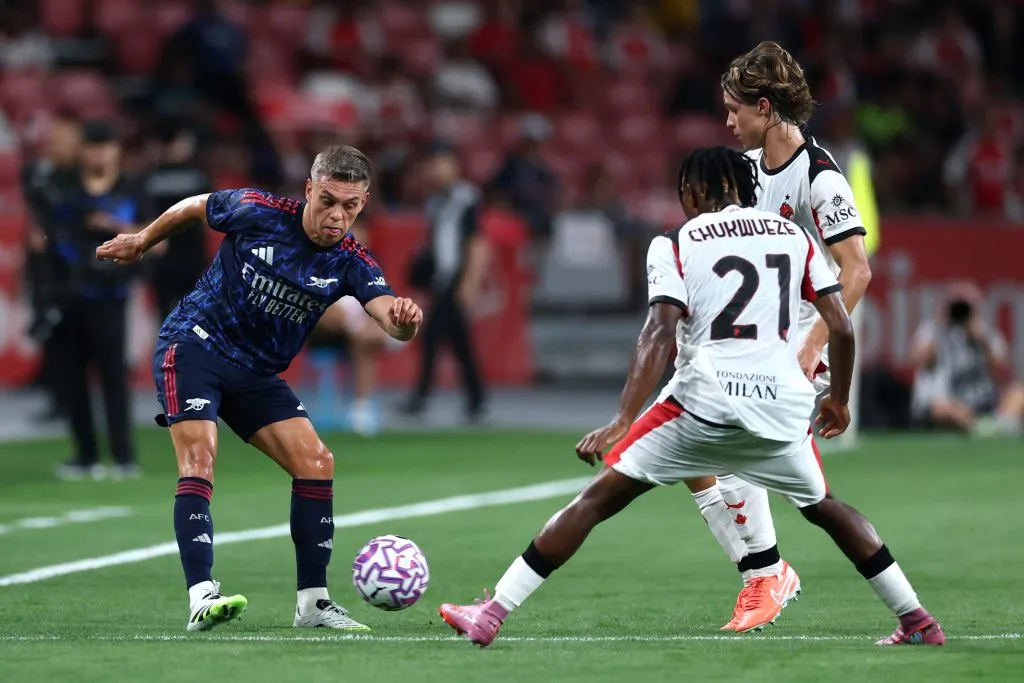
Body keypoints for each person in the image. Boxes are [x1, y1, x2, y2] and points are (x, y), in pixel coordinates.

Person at [438, 147, 944, 648]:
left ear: (693, 191)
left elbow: (658, 334)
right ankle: (917, 619)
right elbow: (842, 325)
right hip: (782, 410)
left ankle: (494, 611)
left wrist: (621, 419)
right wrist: (838, 399)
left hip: (704, 408)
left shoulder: (675, 241)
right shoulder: (794, 236)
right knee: (825, 507)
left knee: (596, 500)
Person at [95, 145, 423, 632]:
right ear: (309, 189)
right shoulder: (259, 211)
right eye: (328, 200)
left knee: (316, 462)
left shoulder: (353, 262)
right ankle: (202, 596)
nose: (337, 216)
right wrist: (143, 240)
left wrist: (405, 323)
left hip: (255, 373)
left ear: (364, 201)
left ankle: (312, 604)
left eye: (350, 206)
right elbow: (194, 206)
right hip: (194, 346)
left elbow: (387, 317)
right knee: (200, 456)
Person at [662, 41, 876, 633]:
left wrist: (811, 347)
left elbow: (856, 270)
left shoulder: (820, 176)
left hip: (799, 346)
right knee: (696, 459)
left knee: (724, 449)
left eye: (734, 110)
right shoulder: (750, 172)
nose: (727, 123)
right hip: (755, 341)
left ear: (764, 107)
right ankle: (767, 572)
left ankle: (767, 575)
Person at [51, 119, 146, 481]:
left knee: (112, 375)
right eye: (92, 145)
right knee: (72, 376)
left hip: (111, 294)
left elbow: (156, 233)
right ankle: (85, 455)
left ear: (116, 150)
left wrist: (110, 225)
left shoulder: (131, 187)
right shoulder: (66, 187)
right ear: (83, 150)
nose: (99, 153)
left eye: (105, 145)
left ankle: (123, 456)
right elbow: (49, 233)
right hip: (71, 292)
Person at [403, 141, 489, 420]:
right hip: (442, 279)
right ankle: (475, 399)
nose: (436, 169)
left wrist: (469, 282)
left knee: (433, 338)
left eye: (441, 162)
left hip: (455, 279)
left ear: (454, 164)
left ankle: (422, 397)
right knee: (457, 342)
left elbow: (476, 242)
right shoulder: (436, 201)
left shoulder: (467, 198)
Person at [20, 112, 81, 423]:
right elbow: (33, 209)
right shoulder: (37, 172)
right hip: (46, 266)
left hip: (78, 264)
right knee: (50, 331)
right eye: (56, 140)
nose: (59, 146)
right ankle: (58, 398)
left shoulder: (83, 176)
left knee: (79, 336)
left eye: (66, 140)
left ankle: (77, 400)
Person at [308, 219, 392, 436]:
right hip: (321, 330)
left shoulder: (371, 268)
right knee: (337, 318)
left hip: (354, 332)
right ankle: (383, 335)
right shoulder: (320, 261)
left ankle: (361, 410)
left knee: (363, 346)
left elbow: (378, 301)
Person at [910, 281, 1024, 437]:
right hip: (945, 400)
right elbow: (917, 359)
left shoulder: (984, 332)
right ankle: (989, 428)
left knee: (1019, 395)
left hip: (982, 400)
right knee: (947, 411)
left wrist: (981, 338)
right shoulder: (932, 329)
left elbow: (1002, 366)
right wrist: (940, 324)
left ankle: (989, 427)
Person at [144, 120, 213, 321]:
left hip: (161, 255)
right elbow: (210, 217)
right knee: (193, 317)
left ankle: (167, 351)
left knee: (165, 318)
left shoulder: (150, 177)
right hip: (191, 256)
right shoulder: (199, 176)